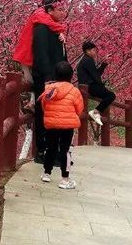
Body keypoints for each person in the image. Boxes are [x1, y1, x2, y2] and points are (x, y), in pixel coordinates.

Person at [29, 0, 68, 164]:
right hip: (47, 79)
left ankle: (54, 151)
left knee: (55, 114)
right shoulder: (41, 28)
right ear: (49, 10)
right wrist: (47, 78)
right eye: (59, 9)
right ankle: (42, 152)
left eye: (63, 9)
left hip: (56, 78)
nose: (62, 13)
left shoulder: (53, 28)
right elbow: (41, 55)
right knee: (43, 113)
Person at [38, 61, 83, 189]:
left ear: (55, 75)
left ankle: (46, 173)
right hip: (68, 125)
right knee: (65, 150)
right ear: (71, 75)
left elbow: (44, 106)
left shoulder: (49, 90)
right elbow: (79, 109)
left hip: (52, 123)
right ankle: (65, 179)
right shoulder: (74, 91)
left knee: (50, 147)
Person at [76, 40, 116, 126]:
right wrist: (102, 86)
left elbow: (95, 74)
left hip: (86, 86)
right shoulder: (88, 60)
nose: (95, 52)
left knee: (107, 94)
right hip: (89, 86)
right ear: (87, 51)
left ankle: (95, 112)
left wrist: (104, 63)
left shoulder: (86, 59)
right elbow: (96, 77)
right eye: (94, 50)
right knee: (111, 95)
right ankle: (95, 112)